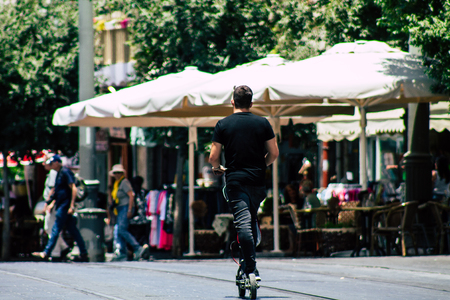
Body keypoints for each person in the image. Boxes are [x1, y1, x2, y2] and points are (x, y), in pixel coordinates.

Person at [209, 85, 279, 281]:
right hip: (257, 181)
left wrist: (218, 168)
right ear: (251, 103)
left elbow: (213, 156)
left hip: (236, 182)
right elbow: (274, 153)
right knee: (250, 219)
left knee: (243, 225)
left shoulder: (223, 124)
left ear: (232, 102)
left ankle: (249, 267)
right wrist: (261, 166)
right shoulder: (263, 123)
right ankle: (247, 262)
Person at [32, 155, 88, 262]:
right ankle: (84, 252)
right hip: (61, 205)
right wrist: (49, 202)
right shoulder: (59, 173)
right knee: (73, 230)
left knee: (56, 228)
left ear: (57, 162)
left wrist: (71, 206)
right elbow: (57, 191)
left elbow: (74, 188)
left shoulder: (65, 172)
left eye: (52, 163)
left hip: (65, 206)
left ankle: (47, 252)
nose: (51, 165)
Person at [109, 164, 149, 261]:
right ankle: (122, 252)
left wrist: (130, 210)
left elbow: (131, 196)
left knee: (122, 229)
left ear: (122, 173)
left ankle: (137, 247)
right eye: (115, 173)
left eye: (119, 173)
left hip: (125, 208)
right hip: (119, 208)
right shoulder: (117, 183)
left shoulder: (124, 182)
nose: (117, 174)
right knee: (119, 231)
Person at [42, 155, 70, 261]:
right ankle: (63, 247)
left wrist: (50, 203)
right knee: (52, 227)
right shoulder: (52, 173)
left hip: (54, 205)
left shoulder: (54, 173)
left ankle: (55, 252)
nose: (44, 164)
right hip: (54, 204)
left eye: (46, 162)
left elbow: (54, 189)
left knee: (51, 227)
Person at [128, 176, 150, 246]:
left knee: (135, 236)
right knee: (142, 236)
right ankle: (144, 246)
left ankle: (137, 248)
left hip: (134, 219)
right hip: (143, 218)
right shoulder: (145, 192)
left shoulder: (132, 194)